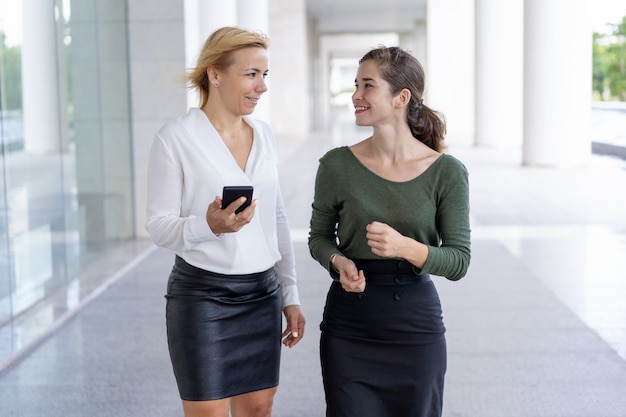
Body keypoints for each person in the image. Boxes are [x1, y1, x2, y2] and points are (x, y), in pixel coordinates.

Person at [145, 26, 305, 417]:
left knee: (258, 411)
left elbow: (277, 217)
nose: (261, 87)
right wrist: (209, 226)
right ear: (215, 74)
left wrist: (290, 294)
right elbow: (157, 225)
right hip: (202, 299)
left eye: (264, 75)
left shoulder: (264, 135)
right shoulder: (175, 138)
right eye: (251, 74)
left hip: (263, 295)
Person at [308, 46, 471, 417]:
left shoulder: (447, 172)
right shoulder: (336, 165)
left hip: (415, 330)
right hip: (349, 327)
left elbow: (459, 260)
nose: (356, 95)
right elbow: (318, 237)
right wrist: (338, 262)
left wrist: (404, 247)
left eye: (368, 86)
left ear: (401, 97)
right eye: (355, 85)